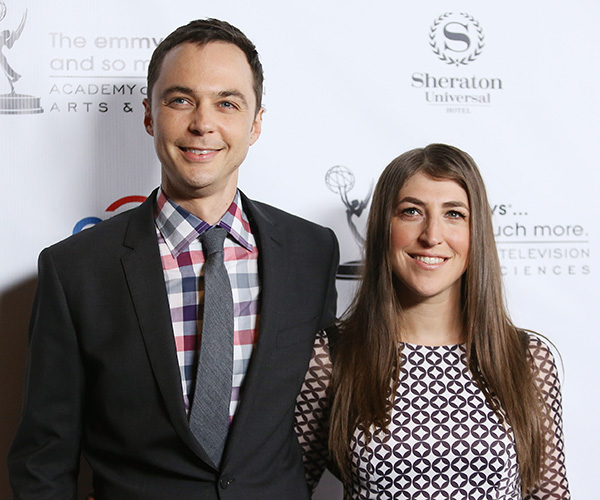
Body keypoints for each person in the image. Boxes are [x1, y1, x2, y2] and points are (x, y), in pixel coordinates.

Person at [9, 19, 339, 499]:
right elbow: (44, 458)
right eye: (181, 100)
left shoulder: (312, 251)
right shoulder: (76, 270)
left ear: (256, 123)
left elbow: (314, 420)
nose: (203, 123)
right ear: (148, 115)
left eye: (227, 103)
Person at [295, 144, 570, 498]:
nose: (432, 236)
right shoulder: (332, 355)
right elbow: (283, 485)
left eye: (454, 214)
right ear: (384, 226)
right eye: (411, 211)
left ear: (477, 232)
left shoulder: (527, 358)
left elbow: (549, 494)